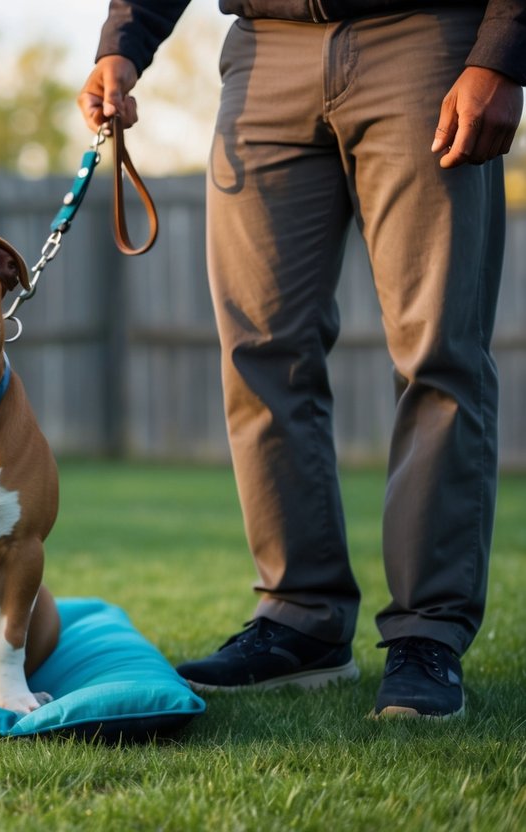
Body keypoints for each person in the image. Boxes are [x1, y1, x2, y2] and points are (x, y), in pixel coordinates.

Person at [80, 1, 524, 719]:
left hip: (422, 37)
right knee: (259, 352)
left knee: (436, 353)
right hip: (264, 51)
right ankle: (300, 619)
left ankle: (427, 633)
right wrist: (121, 44)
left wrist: (501, 52)